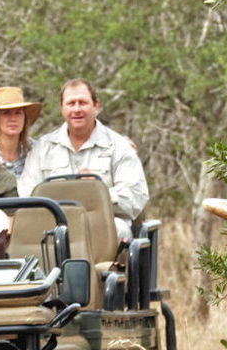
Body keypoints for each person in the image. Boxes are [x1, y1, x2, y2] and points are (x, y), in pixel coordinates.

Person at [19, 78, 148, 238]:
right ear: (61, 108)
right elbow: (27, 195)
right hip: (55, 226)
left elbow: (135, 196)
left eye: (83, 103)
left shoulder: (119, 147)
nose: (77, 109)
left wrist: (96, 192)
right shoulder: (43, 148)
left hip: (105, 224)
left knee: (114, 228)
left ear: (96, 105)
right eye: (71, 103)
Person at [0, 86, 42, 177]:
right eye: (6, 113)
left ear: (24, 118)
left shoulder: (35, 149)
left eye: (18, 113)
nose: (13, 119)